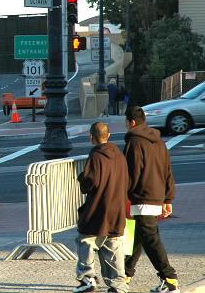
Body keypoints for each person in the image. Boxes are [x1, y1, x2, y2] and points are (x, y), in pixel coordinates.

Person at [123, 106, 179, 293]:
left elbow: (132, 173)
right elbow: (167, 170)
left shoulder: (134, 142)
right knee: (139, 236)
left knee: (150, 239)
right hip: (157, 195)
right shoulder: (159, 142)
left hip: (142, 196)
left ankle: (169, 278)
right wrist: (168, 199)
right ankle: (125, 273)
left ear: (131, 122)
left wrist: (124, 195)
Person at [73, 122, 129, 293]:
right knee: (114, 245)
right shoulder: (119, 155)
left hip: (98, 208)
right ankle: (118, 285)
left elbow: (90, 182)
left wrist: (81, 178)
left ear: (91, 137)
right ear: (109, 135)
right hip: (117, 208)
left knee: (87, 241)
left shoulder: (96, 156)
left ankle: (88, 278)